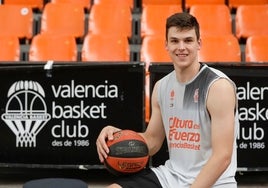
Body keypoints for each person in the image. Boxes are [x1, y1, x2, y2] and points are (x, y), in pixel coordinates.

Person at [96, 12, 239, 188]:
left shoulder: (217, 87)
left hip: (215, 183)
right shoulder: (162, 87)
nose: (181, 47)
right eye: (175, 41)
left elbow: (223, 156)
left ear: (199, 43)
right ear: (166, 45)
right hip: (171, 177)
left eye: (188, 40)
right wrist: (114, 136)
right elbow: (152, 142)